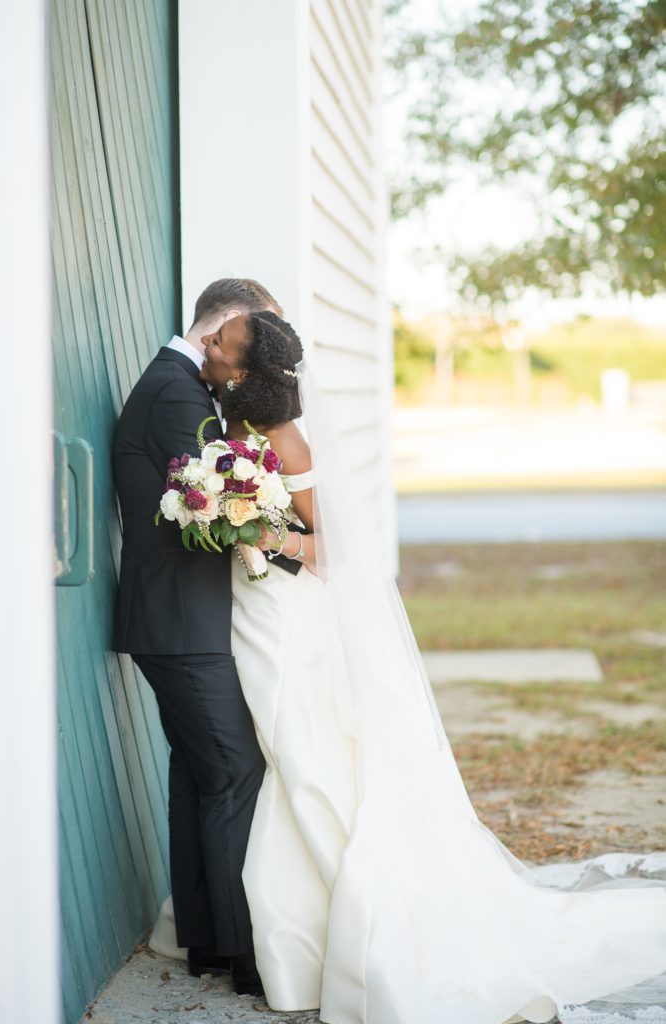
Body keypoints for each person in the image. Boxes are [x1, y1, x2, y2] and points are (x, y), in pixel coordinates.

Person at [153, 310, 666, 1024]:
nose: (206, 344)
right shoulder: (227, 428)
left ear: (247, 370)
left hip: (288, 621)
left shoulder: (287, 438)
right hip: (250, 614)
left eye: (221, 342)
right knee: (281, 758)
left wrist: (260, 529)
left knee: (302, 757)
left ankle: (335, 922)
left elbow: (331, 549)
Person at [112, 280, 303, 996]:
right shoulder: (176, 393)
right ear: (223, 329)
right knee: (234, 771)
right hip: (178, 622)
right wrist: (297, 548)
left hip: (178, 620)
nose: (249, 374)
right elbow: (220, 502)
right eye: (250, 351)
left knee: (201, 773)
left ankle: (210, 944)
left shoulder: (184, 386)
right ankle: (246, 954)